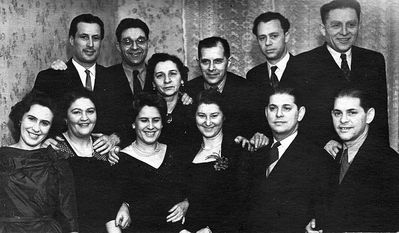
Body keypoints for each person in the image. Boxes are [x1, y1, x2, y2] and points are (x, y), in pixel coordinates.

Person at [294, 0, 388, 148]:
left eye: (351, 24)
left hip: (366, 158)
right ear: (323, 29)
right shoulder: (302, 63)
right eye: (336, 25)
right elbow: (296, 117)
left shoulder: (374, 60)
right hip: (322, 156)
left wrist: (381, 157)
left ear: (359, 26)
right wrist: (323, 141)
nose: (344, 32)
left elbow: (380, 117)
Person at [307, 88, 399, 232]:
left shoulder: (389, 162)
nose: (343, 120)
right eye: (338, 113)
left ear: (369, 116)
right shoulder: (331, 158)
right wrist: (314, 224)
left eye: (352, 112)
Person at [245, 87, 334, 232]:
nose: (278, 114)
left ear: (300, 113)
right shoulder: (255, 154)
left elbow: (323, 210)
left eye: (286, 108)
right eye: (273, 108)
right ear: (266, 113)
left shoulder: (318, 158)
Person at [33, 13, 121, 149]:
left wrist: (115, 138)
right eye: (84, 37)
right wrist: (42, 140)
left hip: (105, 158)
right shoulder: (51, 77)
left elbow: (128, 118)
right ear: (72, 40)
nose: (90, 44)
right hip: (64, 157)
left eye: (96, 38)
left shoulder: (114, 77)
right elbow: (24, 115)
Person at [0, 90, 78, 233]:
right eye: (31, 119)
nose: (36, 128)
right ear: (20, 119)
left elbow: (68, 214)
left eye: (44, 123)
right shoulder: (2, 156)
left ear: (50, 128)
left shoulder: (58, 161)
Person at [110, 93, 188, 233]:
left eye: (156, 120)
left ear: (162, 123)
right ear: (134, 123)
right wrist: (123, 204)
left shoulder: (175, 154)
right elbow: (112, 201)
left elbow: (191, 191)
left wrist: (186, 203)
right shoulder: (119, 160)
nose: (151, 126)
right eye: (144, 120)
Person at [181, 89, 247, 233]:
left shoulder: (237, 151)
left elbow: (243, 203)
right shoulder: (186, 152)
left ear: (223, 116)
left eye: (214, 115)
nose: (208, 122)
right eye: (202, 116)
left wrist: (212, 229)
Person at [186, 36, 267, 150]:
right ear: (198, 63)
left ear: (228, 62)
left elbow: (261, 131)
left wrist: (258, 137)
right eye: (205, 62)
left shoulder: (249, 91)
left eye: (218, 61)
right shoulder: (188, 91)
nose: (211, 68)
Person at [55, 90, 118, 233]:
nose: (85, 118)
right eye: (77, 112)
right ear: (65, 118)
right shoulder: (55, 148)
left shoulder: (104, 147)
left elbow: (112, 198)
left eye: (90, 111)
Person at [246, 12, 300, 136]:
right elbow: (254, 118)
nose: (268, 43)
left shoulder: (306, 69)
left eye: (274, 36)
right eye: (262, 38)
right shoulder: (253, 75)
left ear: (286, 36)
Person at [146, 53, 196, 147]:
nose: (167, 80)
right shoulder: (144, 109)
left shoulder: (192, 109)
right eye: (160, 75)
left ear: (182, 79)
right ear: (153, 82)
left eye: (172, 74)